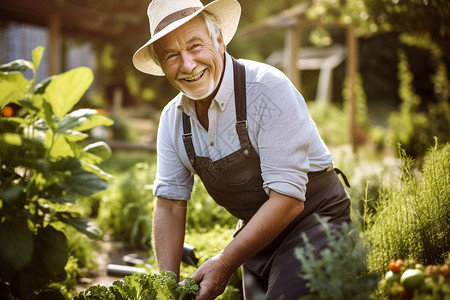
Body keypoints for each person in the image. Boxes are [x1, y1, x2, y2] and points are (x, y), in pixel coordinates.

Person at [132, 0, 351, 299]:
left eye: (195, 46)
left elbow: (288, 200)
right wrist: (166, 288)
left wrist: (223, 262)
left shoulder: (267, 90)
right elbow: (170, 203)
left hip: (315, 222)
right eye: (171, 55)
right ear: (160, 65)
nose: (187, 65)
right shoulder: (173, 119)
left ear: (219, 39)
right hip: (257, 234)